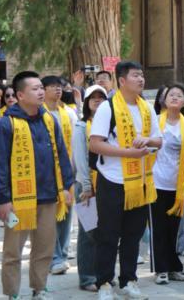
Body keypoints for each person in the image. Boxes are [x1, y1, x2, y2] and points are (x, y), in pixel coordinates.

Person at [0, 71, 74, 300]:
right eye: (35, 89)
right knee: (12, 252)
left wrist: (66, 185)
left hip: (48, 197)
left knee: (44, 248)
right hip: (17, 201)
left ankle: (39, 289)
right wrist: (3, 199)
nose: (40, 92)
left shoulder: (49, 120)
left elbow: (62, 154)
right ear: (20, 95)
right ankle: (12, 294)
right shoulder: (6, 124)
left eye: (41, 88)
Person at [88, 61, 162, 300]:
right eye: (135, 75)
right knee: (108, 235)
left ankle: (129, 280)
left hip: (140, 182)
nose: (141, 79)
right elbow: (95, 144)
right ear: (121, 80)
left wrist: (147, 141)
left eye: (142, 75)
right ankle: (104, 283)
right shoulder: (107, 107)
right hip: (112, 181)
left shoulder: (146, 107)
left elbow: (159, 141)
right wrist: (129, 153)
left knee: (133, 234)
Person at [150, 84, 184, 286]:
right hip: (156, 182)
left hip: (178, 184)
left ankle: (173, 266)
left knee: (174, 229)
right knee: (159, 228)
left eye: (179, 95)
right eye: (171, 95)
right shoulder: (155, 122)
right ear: (164, 100)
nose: (174, 97)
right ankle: (161, 269)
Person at [41, 75, 78, 276]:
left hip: (67, 171)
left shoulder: (68, 113)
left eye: (60, 87)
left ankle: (62, 254)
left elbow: (76, 140)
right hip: (47, 172)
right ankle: (53, 257)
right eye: (53, 86)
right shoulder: (39, 114)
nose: (58, 90)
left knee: (66, 213)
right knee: (50, 215)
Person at [73, 85, 108, 292]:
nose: (97, 100)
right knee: (89, 233)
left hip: (106, 184)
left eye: (101, 97)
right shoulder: (81, 126)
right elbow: (80, 158)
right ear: (86, 102)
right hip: (86, 185)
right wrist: (87, 186)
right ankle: (87, 277)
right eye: (92, 97)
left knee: (105, 232)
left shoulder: (109, 124)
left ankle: (102, 274)